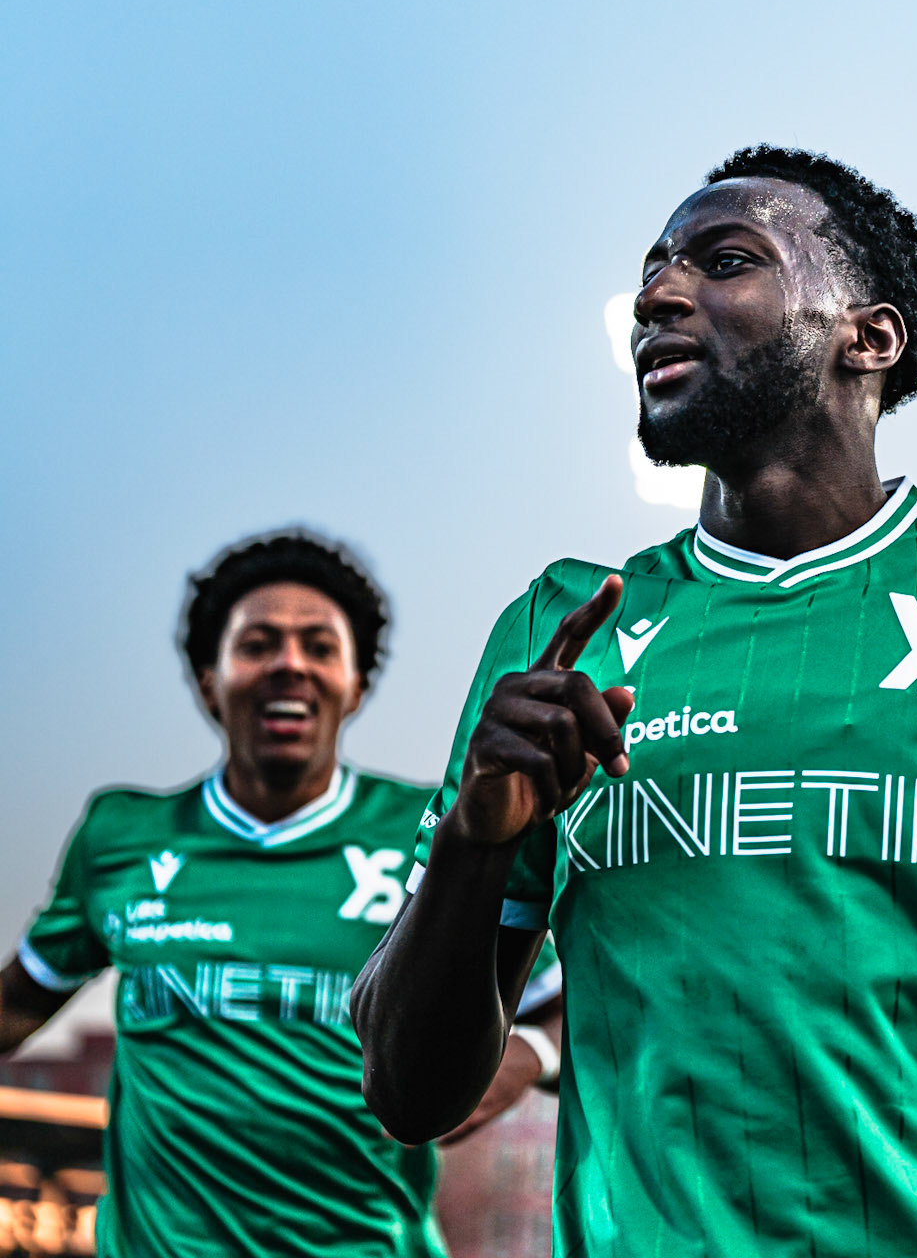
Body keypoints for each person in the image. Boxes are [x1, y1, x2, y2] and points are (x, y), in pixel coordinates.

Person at [355, 146, 917, 1258]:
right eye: (652, 272)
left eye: (724, 259)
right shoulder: (562, 633)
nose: (657, 294)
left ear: (867, 335)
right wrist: (471, 840)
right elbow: (411, 1094)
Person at [0, 529, 560, 1258]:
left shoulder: (431, 833)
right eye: (258, 643)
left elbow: (570, 1017)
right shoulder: (121, 835)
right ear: (210, 678)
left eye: (320, 647)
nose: (290, 664)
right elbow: (17, 1004)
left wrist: (528, 1059)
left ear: (356, 684)